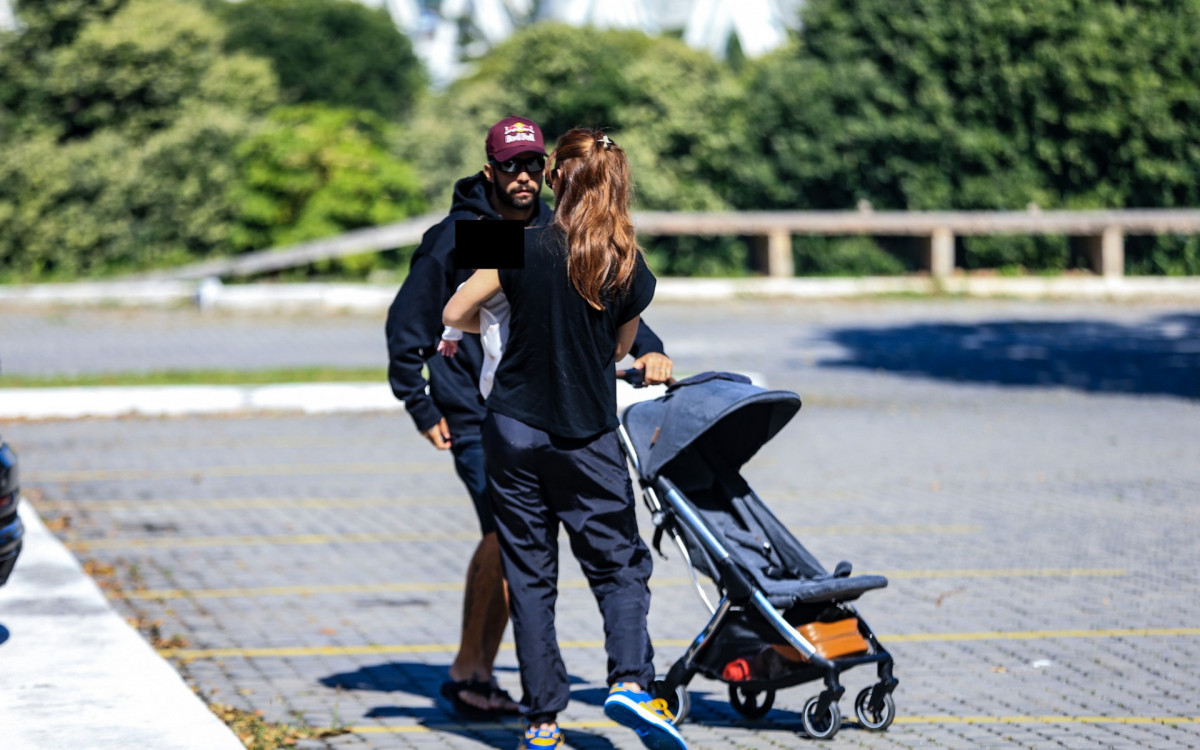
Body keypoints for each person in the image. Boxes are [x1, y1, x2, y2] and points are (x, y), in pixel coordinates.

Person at [385, 116, 674, 719]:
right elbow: (416, 320)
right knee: (513, 543)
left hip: (523, 415)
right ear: (489, 170)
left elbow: (590, 296)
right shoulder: (465, 236)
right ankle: (478, 670)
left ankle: (514, 691)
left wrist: (648, 345)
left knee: (514, 547)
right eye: (511, 166)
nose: (523, 175)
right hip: (475, 410)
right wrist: (420, 401)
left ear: (549, 173)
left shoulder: (548, 230)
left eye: (533, 165)